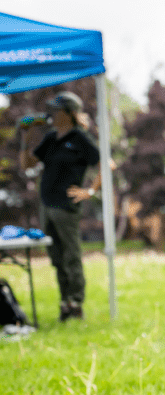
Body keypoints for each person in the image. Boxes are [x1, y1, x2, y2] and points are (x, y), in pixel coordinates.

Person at [18, 91, 102, 322]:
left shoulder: (79, 138)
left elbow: (106, 163)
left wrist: (90, 191)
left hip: (66, 206)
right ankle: (65, 302)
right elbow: (27, 164)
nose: (51, 114)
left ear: (67, 113)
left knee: (71, 256)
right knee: (55, 257)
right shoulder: (51, 139)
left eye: (56, 109)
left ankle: (76, 303)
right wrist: (25, 137)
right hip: (47, 204)